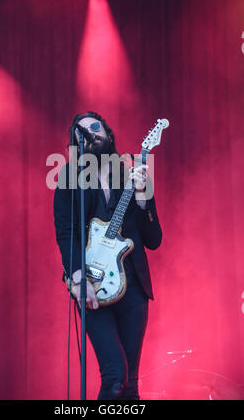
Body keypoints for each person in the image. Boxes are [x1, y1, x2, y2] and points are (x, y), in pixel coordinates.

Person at [53, 111, 162, 400]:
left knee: (131, 384)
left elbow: (154, 239)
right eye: (82, 131)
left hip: (134, 289)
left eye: (95, 127)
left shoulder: (129, 172)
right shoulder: (69, 178)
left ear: (108, 134)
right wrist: (78, 278)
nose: (90, 133)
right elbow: (66, 231)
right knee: (115, 375)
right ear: (76, 143)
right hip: (91, 285)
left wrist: (142, 197)